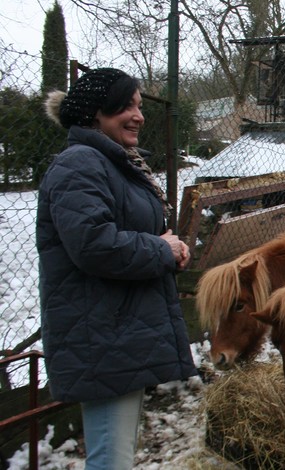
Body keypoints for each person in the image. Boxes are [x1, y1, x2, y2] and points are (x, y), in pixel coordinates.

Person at [38, 68, 198, 469]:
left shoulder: (112, 162)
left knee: (117, 454)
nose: (138, 116)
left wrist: (169, 247)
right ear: (95, 112)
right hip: (102, 335)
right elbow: (93, 245)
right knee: (111, 459)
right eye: (125, 106)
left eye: (140, 106)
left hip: (118, 331)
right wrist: (160, 249)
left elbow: (127, 232)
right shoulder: (80, 163)